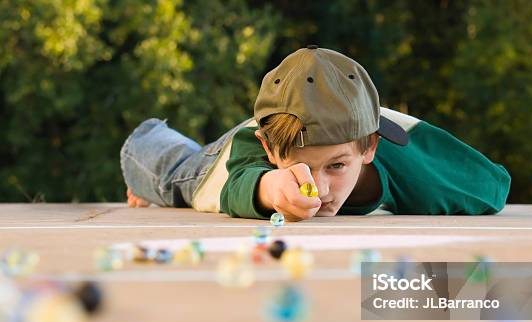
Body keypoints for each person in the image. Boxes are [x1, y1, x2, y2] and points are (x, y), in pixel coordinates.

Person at [121, 45, 511, 221]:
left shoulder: (400, 149)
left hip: (353, 127)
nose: (320, 190)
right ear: (272, 152)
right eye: (302, 170)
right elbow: (242, 182)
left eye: (337, 167)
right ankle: (161, 137)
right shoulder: (256, 153)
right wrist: (275, 189)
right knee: (168, 173)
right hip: (217, 164)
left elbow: (491, 188)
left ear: (370, 147)